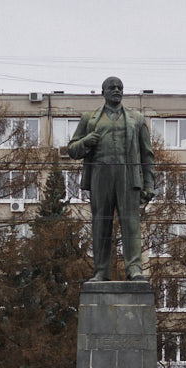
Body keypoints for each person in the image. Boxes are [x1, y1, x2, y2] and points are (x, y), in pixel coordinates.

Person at [67, 76, 156, 281]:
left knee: (131, 224)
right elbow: (72, 150)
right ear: (103, 92)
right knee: (101, 223)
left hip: (128, 175)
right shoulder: (89, 119)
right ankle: (101, 271)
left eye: (120, 87)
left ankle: (134, 269)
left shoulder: (137, 119)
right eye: (112, 87)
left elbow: (147, 155)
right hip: (101, 175)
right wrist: (87, 141)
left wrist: (149, 184)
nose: (117, 90)